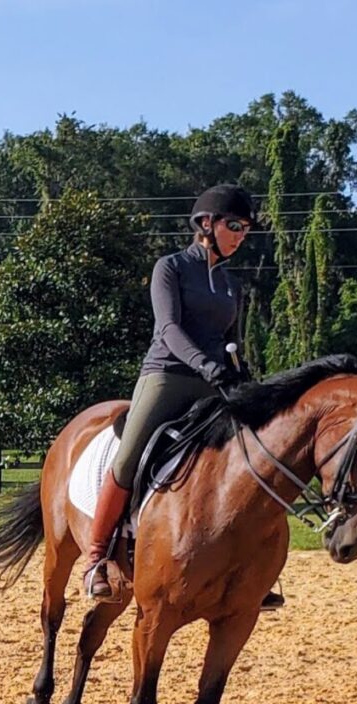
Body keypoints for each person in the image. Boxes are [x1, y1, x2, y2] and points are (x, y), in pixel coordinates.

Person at [83, 184, 283, 610]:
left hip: (214, 382)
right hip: (168, 376)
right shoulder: (170, 268)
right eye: (234, 225)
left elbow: (230, 340)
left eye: (245, 229)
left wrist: (238, 376)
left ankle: (251, 566)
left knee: (255, 453)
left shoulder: (230, 285)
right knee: (130, 455)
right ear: (206, 224)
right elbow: (168, 330)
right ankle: (97, 559)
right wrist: (204, 365)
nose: (240, 235)